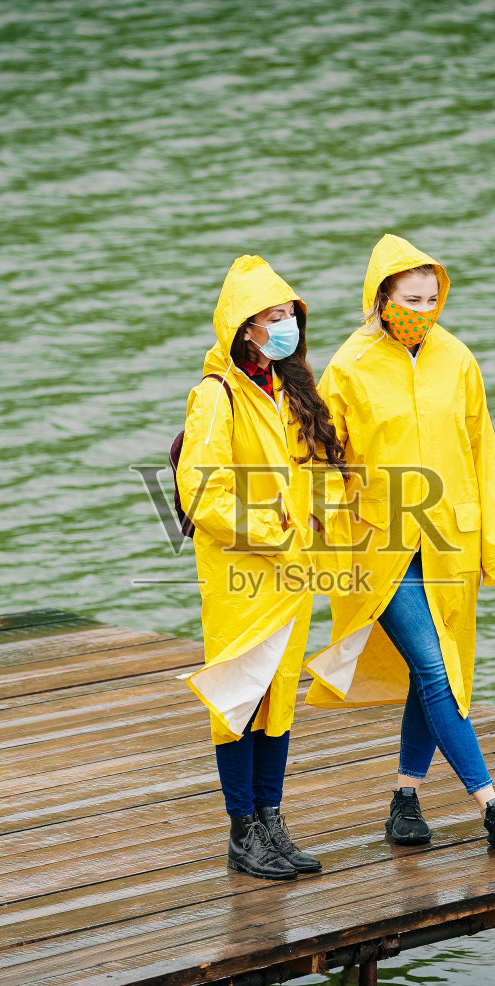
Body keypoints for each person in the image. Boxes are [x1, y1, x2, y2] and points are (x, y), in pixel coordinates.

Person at [305, 233, 495, 856]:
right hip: (379, 548)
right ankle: (493, 809)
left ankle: (405, 799)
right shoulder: (348, 368)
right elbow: (322, 462)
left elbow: (482, 455)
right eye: (411, 300)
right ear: (381, 298)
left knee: (429, 671)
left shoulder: (457, 360)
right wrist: (332, 539)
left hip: (448, 545)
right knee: (439, 670)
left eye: (433, 299)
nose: (424, 310)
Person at [176, 255, 349, 880]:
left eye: (289, 316)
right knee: (238, 700)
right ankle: (242, 830)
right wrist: (274, 531)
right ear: (244, 327)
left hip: (294, 573)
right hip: (240, 575)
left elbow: (318, 469)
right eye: (272, 318)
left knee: (278, 700)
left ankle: (272, 823)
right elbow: (202, 491)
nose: (284, 328)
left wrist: (326, 514)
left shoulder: (291, 389)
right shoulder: (216, 396)